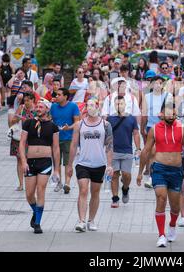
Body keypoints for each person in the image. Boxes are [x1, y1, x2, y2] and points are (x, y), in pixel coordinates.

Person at [137, 99, 184, 247]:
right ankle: (161, 235)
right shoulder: (154, 129)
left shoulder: (182, 129)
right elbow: (146, 151)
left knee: (175, 207)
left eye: (173, 113)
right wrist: (140, 171)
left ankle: (172, 226)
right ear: (161, 114)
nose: (171, 116)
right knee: (161, 198)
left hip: (176, 170)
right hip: (160, 169)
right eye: (168, 113)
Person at [68, 99, 114, 232]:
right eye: (87, 105)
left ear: (98, 106)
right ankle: (81, 220)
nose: (89, 107)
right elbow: (74, 144)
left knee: (95, 192)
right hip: (82, 163)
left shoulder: (106, 125)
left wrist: (109, 165)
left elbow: (110, 145)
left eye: (92, 105)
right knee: (83, 190)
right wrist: (69, 165)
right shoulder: (79, 125)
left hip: (99, 164)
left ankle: (91, 220)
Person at [19, 99, 61, 234]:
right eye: (37, 106)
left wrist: (57, 170)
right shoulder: (28, 123)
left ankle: (37, 223)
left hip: (45, 162)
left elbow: (56, 148)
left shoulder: (53, 126)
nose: (38, 108)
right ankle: (36, 212)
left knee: (40, 189)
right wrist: (24, 161)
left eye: (41, 106)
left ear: (47, 109)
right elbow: (22, 143)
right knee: (29, 194)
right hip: (30, 162)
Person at [108, 96, 141, 207]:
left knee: (127, 175)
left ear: (125, 105)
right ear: (114, 105)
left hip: (127, 151)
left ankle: (125, 188)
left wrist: (138, 148)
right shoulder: (110, 119)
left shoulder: (131, 118)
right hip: (113, 151)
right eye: (117, 104)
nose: (119, 106)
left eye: (121, 103)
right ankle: (115, 198)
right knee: (114, 175)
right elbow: (106, 135)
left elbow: (136, 133)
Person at [50, 88, 80, 194]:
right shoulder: (53, 107)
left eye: (59, 95)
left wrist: (69, 127)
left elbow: (77, 122)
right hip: (55, 138)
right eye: (56, 94)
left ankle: (67, 183)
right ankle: (59, 183)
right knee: (56, 161)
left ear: (65, 96)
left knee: (68, 162)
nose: (56, 96)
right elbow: (50, 120)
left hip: (69, 138)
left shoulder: (73, 106)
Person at [9, 92, 37, 191]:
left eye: (28, 100)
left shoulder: (37, 109)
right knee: (19, 160)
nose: (26, 102)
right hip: (19, 137)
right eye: (24, 100)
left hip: (32, 138)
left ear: (33, 100)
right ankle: (21, 184)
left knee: (31, 160)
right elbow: (12, 121)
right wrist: (17, 118)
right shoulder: (21, 108)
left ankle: (31, 182)